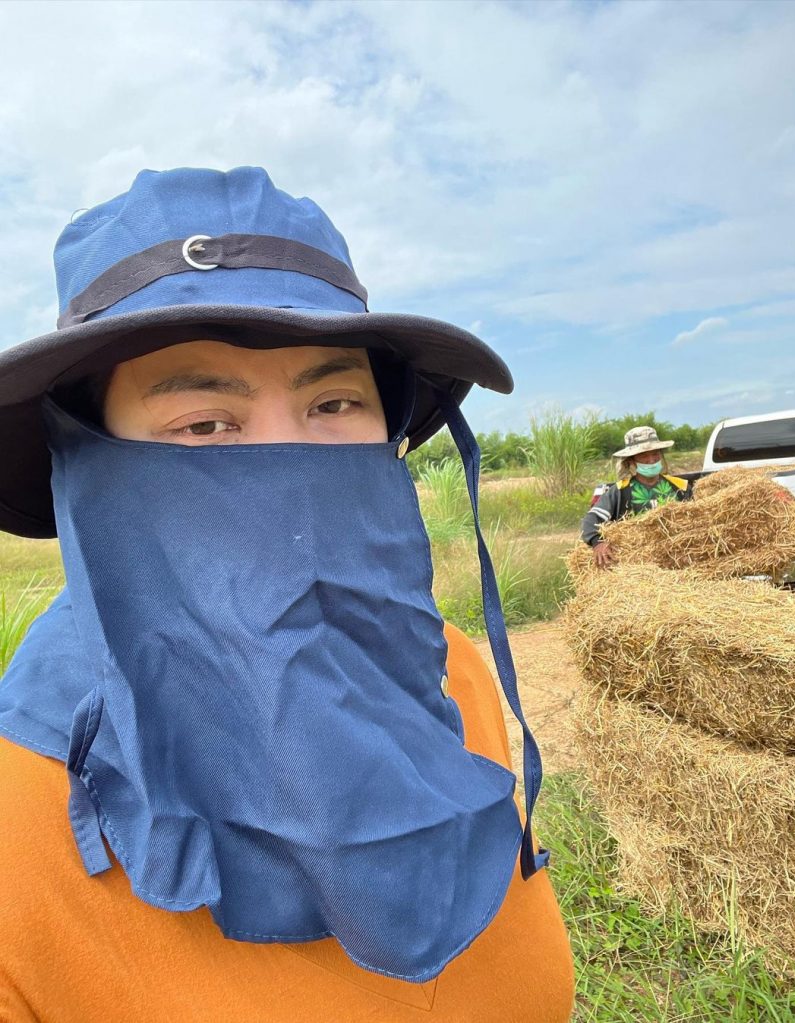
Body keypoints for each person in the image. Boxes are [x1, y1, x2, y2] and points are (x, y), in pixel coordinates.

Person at [0, 168, 574, 1022]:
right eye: (206, 423)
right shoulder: (19, 814)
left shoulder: (453, 670)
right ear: (90, 456)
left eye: (334, 400)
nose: (290, 466)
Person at [581, 425, 691, 568]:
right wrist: (597, 542)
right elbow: (591, 519)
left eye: (655, 453)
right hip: (638, 565)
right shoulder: (620, 492)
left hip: (678, 561)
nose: (651, 460)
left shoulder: (680, 487)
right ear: (631, 461)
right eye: (644, 455)